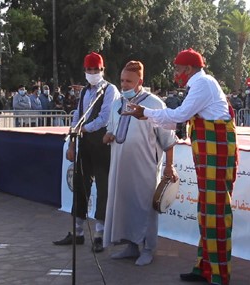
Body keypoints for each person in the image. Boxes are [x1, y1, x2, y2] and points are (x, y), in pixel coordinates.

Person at [124, 48, 238, 285]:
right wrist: (146, 115)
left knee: (215, 211)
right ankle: (205, 268)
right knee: (207, 210)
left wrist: (145, 113)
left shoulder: (202, 84)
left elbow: (179, 115)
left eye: (177, 69)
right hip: (209, 154)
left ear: (188, 69)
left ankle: (219, 275)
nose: (176, 73)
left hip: (216, 154)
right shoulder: (200, 83)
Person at [102, 61, 178, 266]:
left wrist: (169, 167)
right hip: (120, 167)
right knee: (125, 205)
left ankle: (148, 248)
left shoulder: (154, 104)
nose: (124, 85)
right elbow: (113, 128)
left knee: (145, 207)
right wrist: (109, 134)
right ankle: (130, 246)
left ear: (140, 82)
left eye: (129, 81)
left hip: (145, 168)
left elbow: (168, 140)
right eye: (122, 81)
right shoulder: (117, 103)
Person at [53, 52, 120, 253]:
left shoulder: (110, 90)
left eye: (95, 70)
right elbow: (77, 116)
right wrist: (72, 142)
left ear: (102, 70)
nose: (92, 73)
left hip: (102, 144)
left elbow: (105, 118)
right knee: (81, 186)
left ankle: (100, 234)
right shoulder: (84, 92)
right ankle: (78, 232)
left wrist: (85, 129)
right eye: (89, 70)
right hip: (84, 144)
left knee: (102, 188)